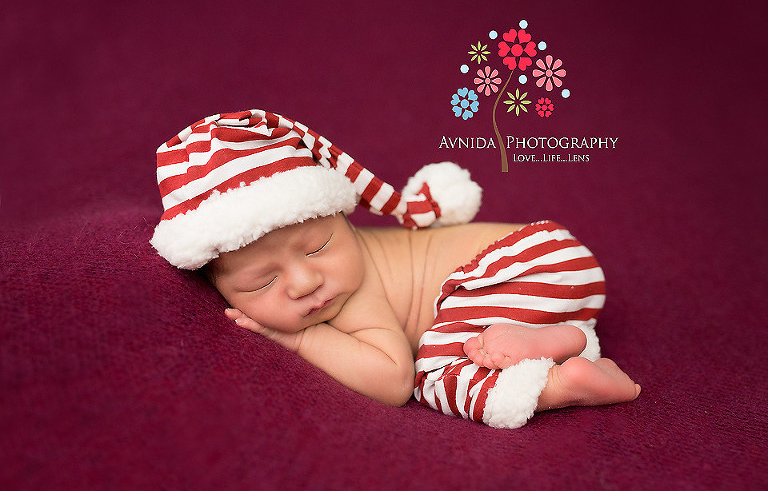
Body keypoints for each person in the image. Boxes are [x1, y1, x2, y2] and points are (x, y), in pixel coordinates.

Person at [150, 109, 640, 428]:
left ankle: (560, 384)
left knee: (434, 374)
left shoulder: (354, 293)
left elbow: (391, 381)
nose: (306, 283)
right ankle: (563, 339)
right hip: (555, 268)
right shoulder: (327, 277)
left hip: (517, 262)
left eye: (319, 247)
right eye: (264, 282)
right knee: (472, 338)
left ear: (343, 217)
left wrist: (300, 339)